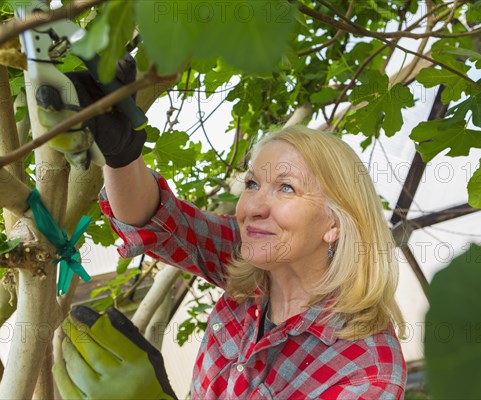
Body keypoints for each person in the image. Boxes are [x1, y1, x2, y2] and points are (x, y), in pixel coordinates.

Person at [53, 71, 407, 399]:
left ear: (334, 224)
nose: (253, 206)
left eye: (286, 188)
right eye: (252, 183)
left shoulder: (366, 372)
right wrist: (122, 155)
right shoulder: (255, 263)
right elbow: (160, 224)